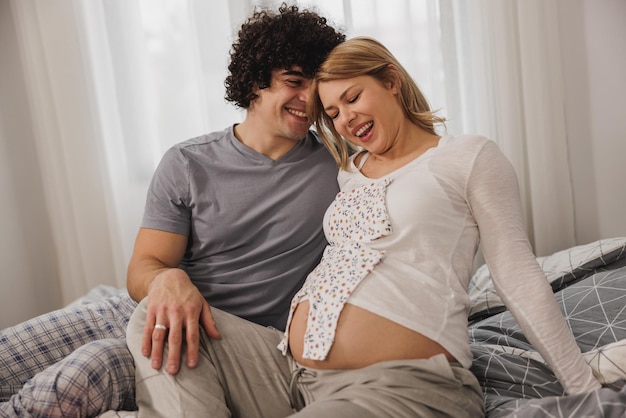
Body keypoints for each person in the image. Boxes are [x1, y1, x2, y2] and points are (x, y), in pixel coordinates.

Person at [127, 36, 603, 417]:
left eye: (353, 98)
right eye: (331, 112)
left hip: (401, 384)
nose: (344, 119)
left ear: (391, 80)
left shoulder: (467, 156)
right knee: (153, 317)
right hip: (289, 373)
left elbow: (516, 274)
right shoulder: (345, 169)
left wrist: (582, 387)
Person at [0, 4, 344, 417]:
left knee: (75, 380)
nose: (308, 99)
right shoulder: (187, 163)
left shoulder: (340, 171)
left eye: (317, 85)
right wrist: (168, 279)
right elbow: (144, 267)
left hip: (211, 345)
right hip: (141, 310)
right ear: (255, 82)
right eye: (294, 82)